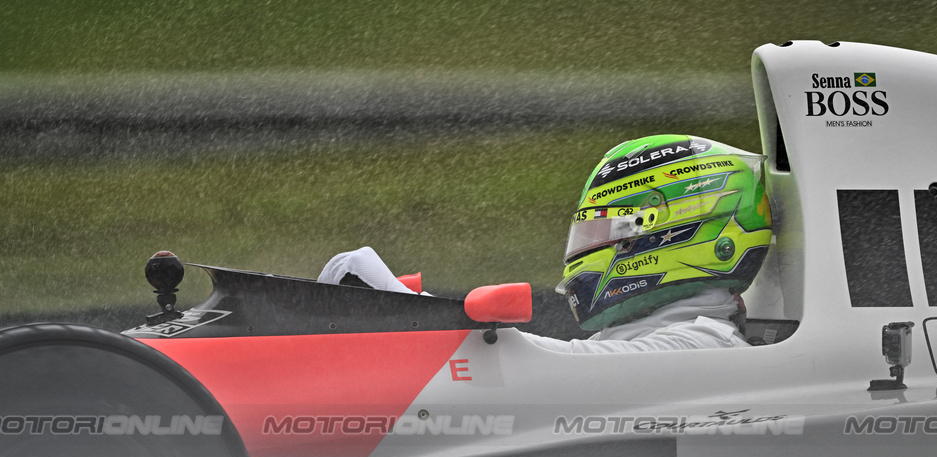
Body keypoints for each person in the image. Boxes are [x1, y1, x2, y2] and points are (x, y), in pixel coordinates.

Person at [319, 134, 773, 353]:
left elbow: (553, 368)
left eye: (604, 234)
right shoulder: (649, 334)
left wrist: (414, 310)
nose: (585, 252)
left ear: (670, 230)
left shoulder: (705, 345)